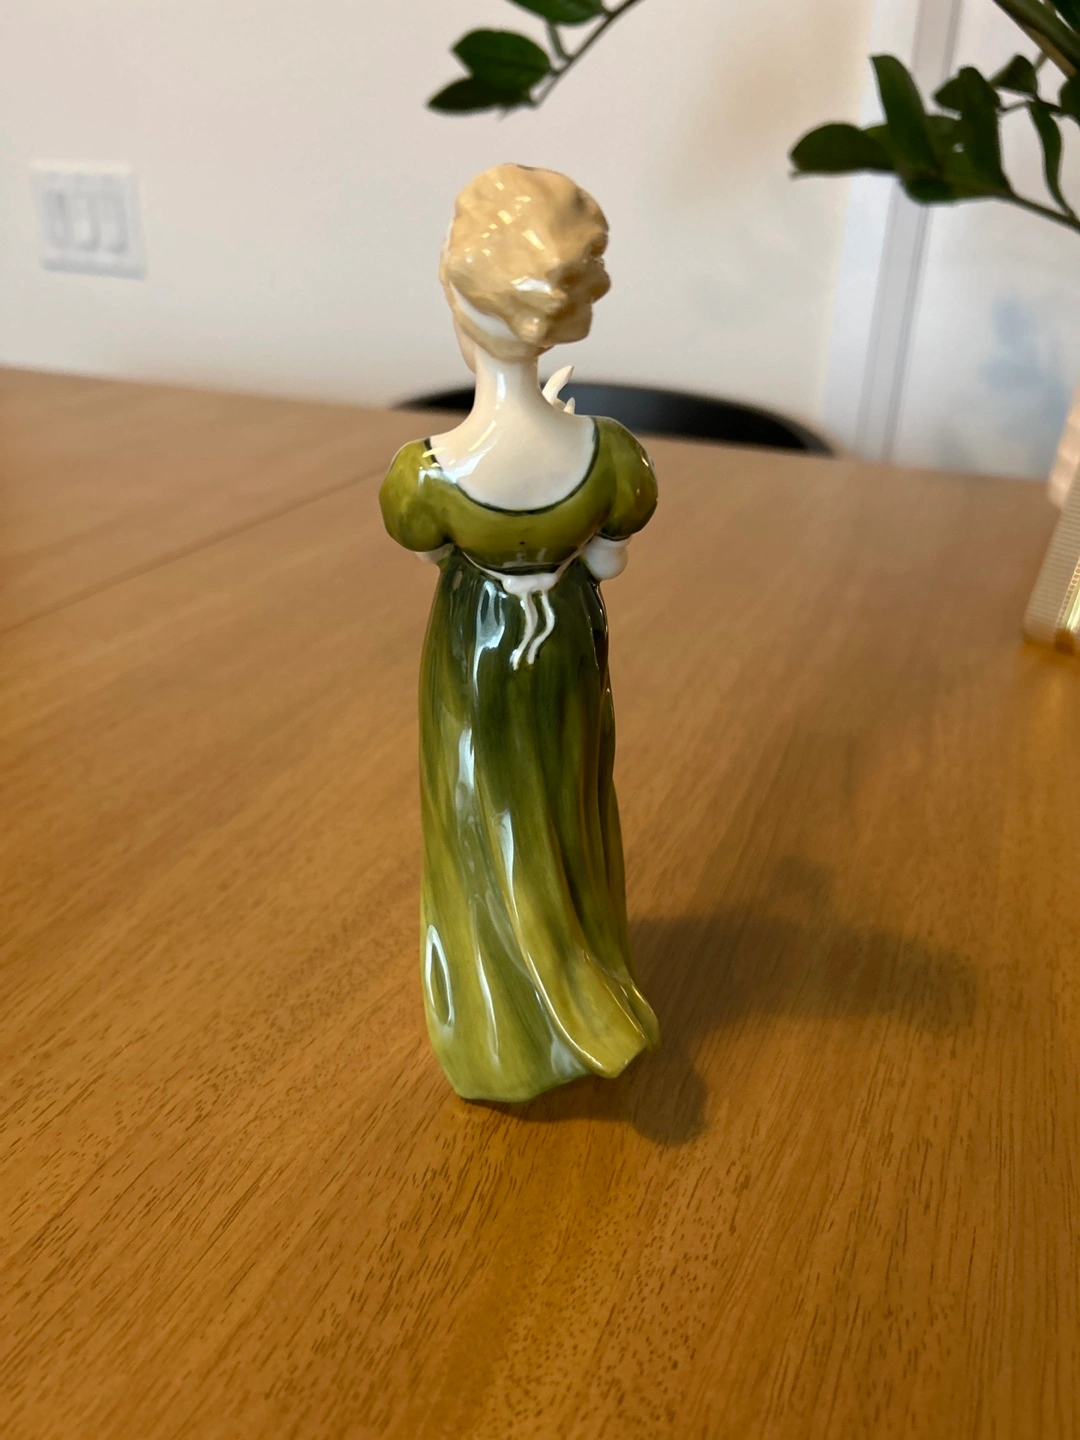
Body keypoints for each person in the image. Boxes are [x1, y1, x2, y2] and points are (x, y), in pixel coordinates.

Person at [380, 162, 660, 1101]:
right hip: (568, 649)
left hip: (475, 653)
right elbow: (608, 561)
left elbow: (433, 554)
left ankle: (500, 1030)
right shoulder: (612, 456)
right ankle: (584, 973)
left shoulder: (426, 475)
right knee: (569, 800)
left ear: (459, 300)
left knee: (478, 815)